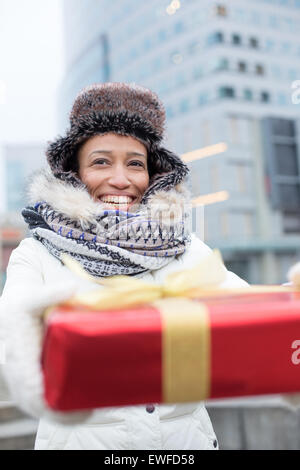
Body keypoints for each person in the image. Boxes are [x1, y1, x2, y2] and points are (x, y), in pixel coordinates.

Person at [0, 82, 249, 451]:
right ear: (74, 173)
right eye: (101, 162)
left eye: (135, 163)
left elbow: (250, 318)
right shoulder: (36, 254)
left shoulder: (183, 247)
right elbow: (11, 328)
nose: (121, 179)